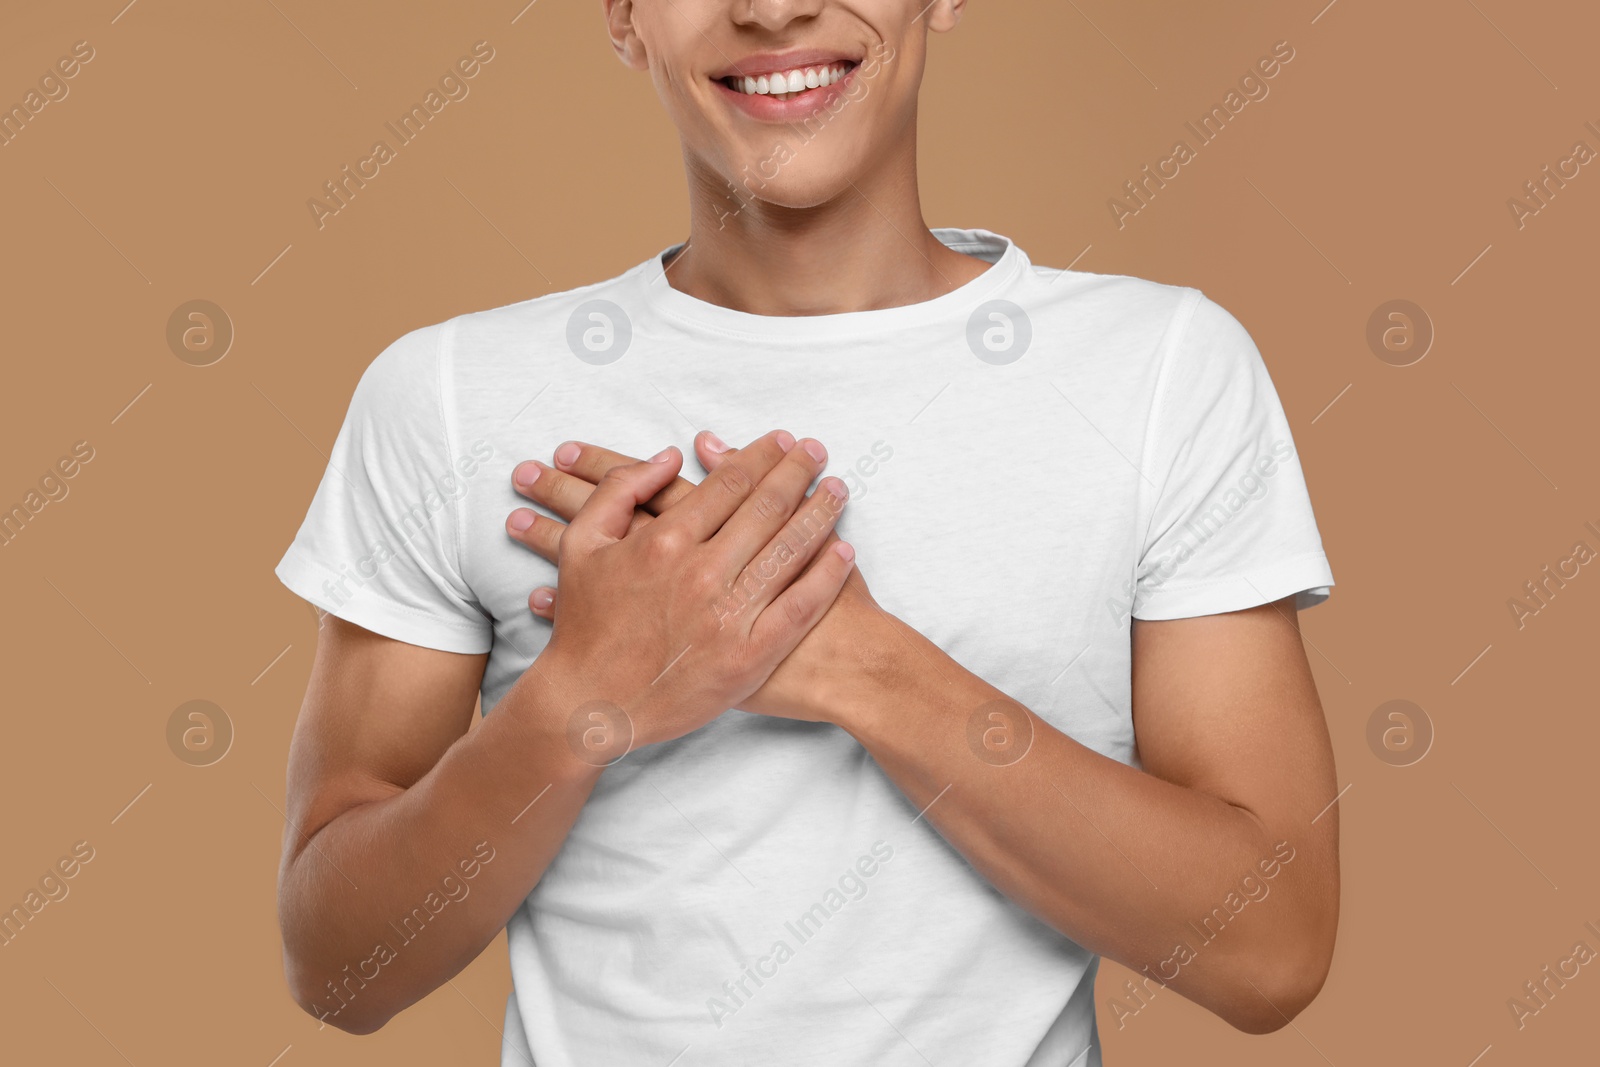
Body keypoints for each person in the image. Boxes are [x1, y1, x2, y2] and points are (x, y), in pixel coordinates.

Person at [271, 1, 1340, 1063]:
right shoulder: (448, 394)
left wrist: (858, 667)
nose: (771, 8)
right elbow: (338, 965)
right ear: (624, 15)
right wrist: (584, 695)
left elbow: (1271, 947)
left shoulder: (1159, 372)